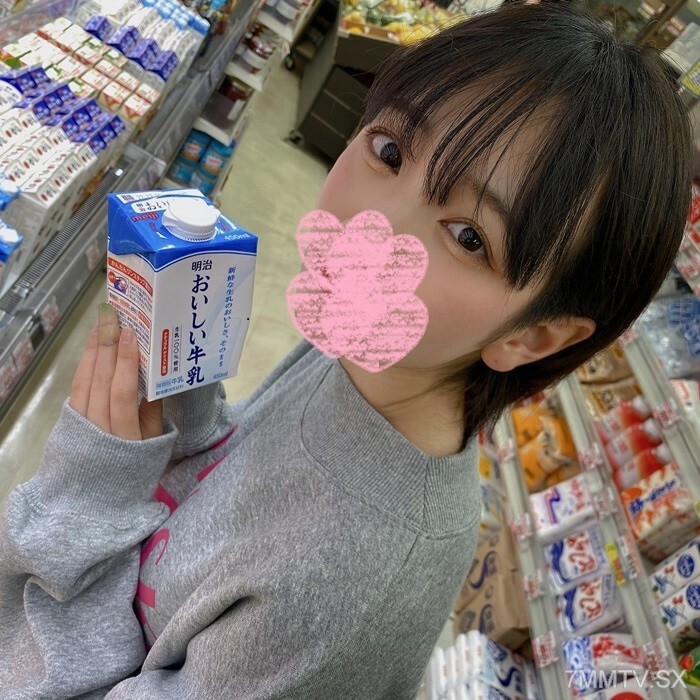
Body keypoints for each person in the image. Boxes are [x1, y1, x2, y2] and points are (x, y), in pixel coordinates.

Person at [0, 4, 692, 698]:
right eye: (389, 151)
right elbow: (237, 470)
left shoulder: (355, 583)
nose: (370, 224)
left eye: (468, 237)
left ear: (531, 336)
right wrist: (184, 389)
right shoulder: (369, 360)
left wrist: (87, 496)